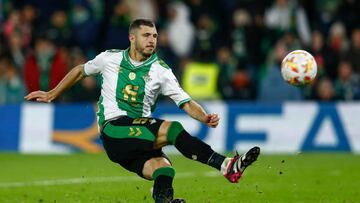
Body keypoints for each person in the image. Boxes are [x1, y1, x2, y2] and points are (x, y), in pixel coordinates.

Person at [25, 19, 260, 203]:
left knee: (164, 171)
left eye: (155, 36)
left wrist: (204, 117)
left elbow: (186, 101)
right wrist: (52, 93)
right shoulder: (110, 58)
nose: (152, 40)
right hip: (114, 130)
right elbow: (79, 70)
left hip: (136, 139)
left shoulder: (161, 70)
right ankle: (225, 165)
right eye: (146, 35)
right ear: (132, 37)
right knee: (173, 128)